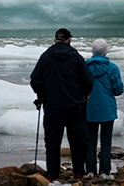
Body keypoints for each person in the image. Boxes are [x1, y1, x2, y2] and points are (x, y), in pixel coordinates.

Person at [30, 28, 95, 181]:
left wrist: (40, 95)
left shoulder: (46, 56)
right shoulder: (76, 57)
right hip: (75, 106)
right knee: (78, 141)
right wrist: (85, 94)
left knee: (52, 141)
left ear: (55, 40)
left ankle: (52, 173)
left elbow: (35, 79)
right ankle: (78, 172)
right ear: (69, 40)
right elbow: (88, 80)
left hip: (53, 106)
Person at [85, 39, 124, 178]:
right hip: (107, 108)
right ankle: (104, 171)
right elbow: (118, 89)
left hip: (89, 108)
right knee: (106, 141)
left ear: (92, 51)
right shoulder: (112, 67)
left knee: (90, 140)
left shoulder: (85, 67)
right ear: (106, 51)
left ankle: (90, 170)